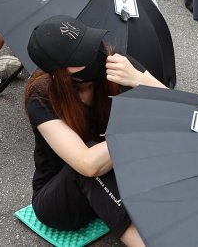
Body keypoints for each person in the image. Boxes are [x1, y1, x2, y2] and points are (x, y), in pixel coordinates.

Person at [22, 15, 160, 247]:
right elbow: (87, 164)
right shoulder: (41, 96)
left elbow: (181, 108)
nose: (97, 54)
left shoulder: (117, 64)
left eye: (92, 44)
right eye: (82, 55)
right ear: (60, 72)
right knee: (91, 157)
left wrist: (139, 80)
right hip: (61, 200)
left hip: (117, 176)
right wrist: (140, 128)